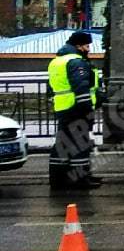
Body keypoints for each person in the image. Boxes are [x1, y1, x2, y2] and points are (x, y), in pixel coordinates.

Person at [48, 30, 101, 190]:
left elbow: (52, 87)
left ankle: (58, 179)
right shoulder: (76, 62)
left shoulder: (57, 61)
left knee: (63, 143)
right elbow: (81, 87)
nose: (88, 49)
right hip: (77, 108)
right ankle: (80, 179)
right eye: (86, 45)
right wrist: (86, 108)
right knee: (80, 144)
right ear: (78, 45)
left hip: (63, 107)